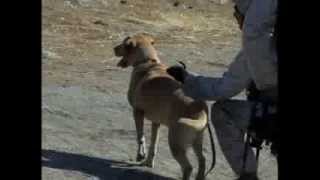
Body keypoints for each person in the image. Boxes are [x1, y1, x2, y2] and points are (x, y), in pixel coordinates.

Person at [167, 0, 278, 180]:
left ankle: (248, 175)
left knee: (223, 111)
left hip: (271, 116)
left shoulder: (257, 44)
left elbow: (224, 88)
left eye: (238, 16)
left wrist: (187, 81)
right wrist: (188, 79)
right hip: (270, 114)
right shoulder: (257, 49)